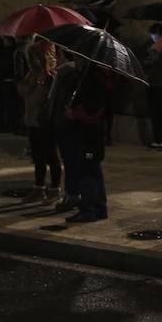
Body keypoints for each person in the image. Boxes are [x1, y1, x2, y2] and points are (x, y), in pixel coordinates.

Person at [64, 66, 112, 223]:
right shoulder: (98, 76)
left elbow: (93, 108)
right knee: (94, 169)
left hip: (89, 132)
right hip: (94, 132)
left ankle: (88, 210)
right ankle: (100, 208)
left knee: (87, 171)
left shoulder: (95, 79)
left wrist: (74, 113)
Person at [17, 41, 62, 204]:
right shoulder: (32, 74)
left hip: (45, 122)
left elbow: (51, 99)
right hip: (32, 120)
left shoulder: (51, 76)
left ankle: (55, 189)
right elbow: (22, 91)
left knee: (51, 155)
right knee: (37, 156)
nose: (32, 60)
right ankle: (38, 188)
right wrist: (33, 82)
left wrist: (41, 82)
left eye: (35, 57)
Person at [48, 49, 83, 213]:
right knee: (71, 161)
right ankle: (73, 194)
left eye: (59, 55)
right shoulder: (75, 72)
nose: (56, 59)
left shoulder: (66, 73)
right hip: (67, 123)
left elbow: (56, 99)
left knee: (70, 161)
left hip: (65, 123)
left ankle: (72, 195)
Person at [143, 23, 162, 149]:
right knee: (154, 113)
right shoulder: (150, 47)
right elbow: (145, 62)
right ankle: (156, 138)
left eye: (155, 34)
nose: (153, 37)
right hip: (152, 83)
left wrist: (160, 56)